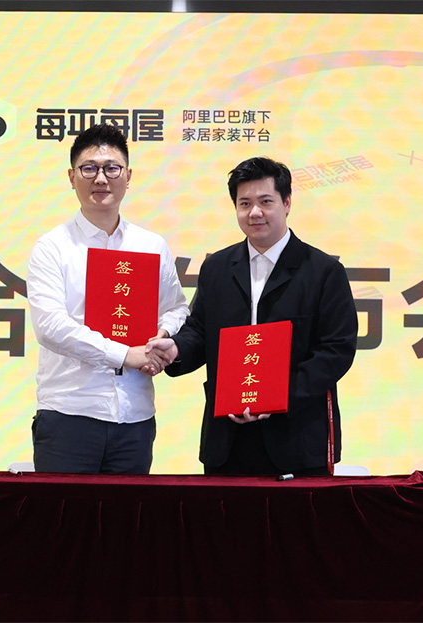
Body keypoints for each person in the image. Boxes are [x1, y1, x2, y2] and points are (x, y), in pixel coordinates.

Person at [147, 156, 357, 476]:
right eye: (244, 203)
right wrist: (175, 348)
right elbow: (200, 330)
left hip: (297, 439)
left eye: (265, 201)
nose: (254, 212)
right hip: (226, 440)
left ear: (287, 203)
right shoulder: (217, 267)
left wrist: (276, 397)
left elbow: (336, 350)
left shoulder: (323, 271)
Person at [26, 124, 189, 474]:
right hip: (70, 414)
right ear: (71, 177)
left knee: (129, 512)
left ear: (128, 176)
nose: (101, 178)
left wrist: (160, 338)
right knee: (63, 512)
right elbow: (50, 327)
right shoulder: (52, 247)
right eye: (89, 168)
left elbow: (176, 307)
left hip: (135, 415)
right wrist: (125, 354)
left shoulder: (150, 246)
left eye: (112, 168)